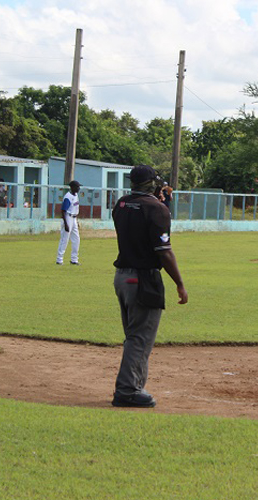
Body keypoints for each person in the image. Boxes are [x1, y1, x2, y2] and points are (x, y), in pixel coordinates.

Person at [111, 165, 188, 408]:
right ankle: (128, 390)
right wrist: (180, 284)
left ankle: (134, 385)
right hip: (143, 279)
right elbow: (164, 252)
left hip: (122, 277)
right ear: (151, 184)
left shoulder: (121, 204)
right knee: (140, 338)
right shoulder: (157, 209)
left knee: (133, 335)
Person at [56, 180, 81, 265]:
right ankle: (59, 259)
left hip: (74, 218)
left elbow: (75, 208)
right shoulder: (68, 197)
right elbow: (63, 211)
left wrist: (76, 221)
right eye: (77, 187)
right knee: (64, 239)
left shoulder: (76, 195)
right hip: (68, 217)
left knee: (76, 239)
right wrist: (66, 224)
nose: (79, 188)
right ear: (72, 187)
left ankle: (74, 259)